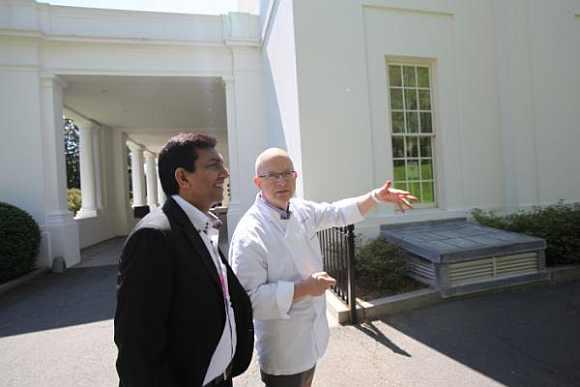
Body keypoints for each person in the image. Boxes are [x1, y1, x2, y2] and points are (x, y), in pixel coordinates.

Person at [229, 148, 416, 387]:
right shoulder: (250, 233)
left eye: (287, 173)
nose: (282, 181)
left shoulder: (300, 209)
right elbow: (248, 301)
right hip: (284, 348)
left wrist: (376, 197)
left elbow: (338, 212)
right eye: (273, 175)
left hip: (312, 335)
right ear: (258, 182)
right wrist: (305, 288)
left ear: (295, 176)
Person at [114, 133, 254, 387]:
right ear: (183, 177)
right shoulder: (153, 237)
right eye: (214, 165)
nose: (225, 173)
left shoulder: (201, 224)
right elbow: (137, 346)